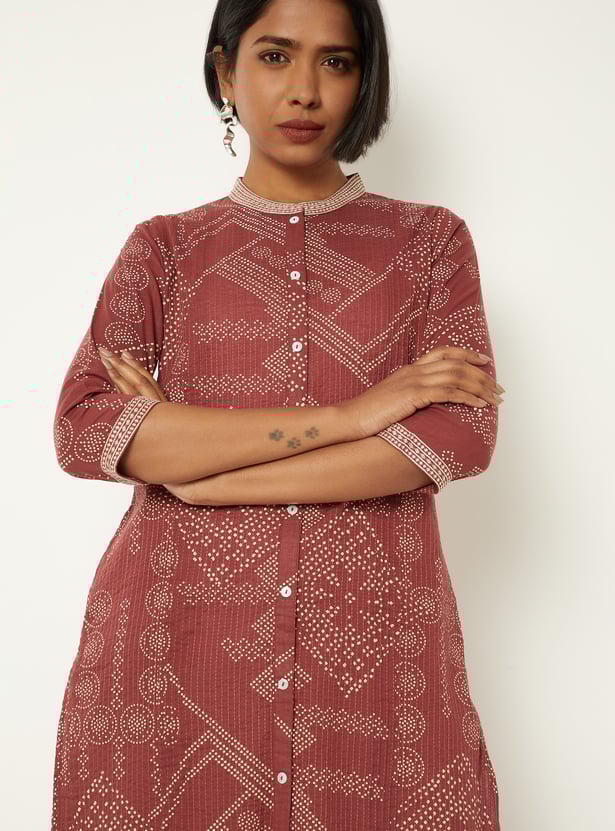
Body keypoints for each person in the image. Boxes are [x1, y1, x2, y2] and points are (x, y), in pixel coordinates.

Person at [50, 0, 504, 828]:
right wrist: (356, 413)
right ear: (225, 71)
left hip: (375, 666)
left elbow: (455, 433)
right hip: (176, 651)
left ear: (365, 79)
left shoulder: (430, 245)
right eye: (273, 56)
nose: (304, 89)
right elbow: (86, 426)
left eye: (336, 61)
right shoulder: (163, 251)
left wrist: (202, 476)